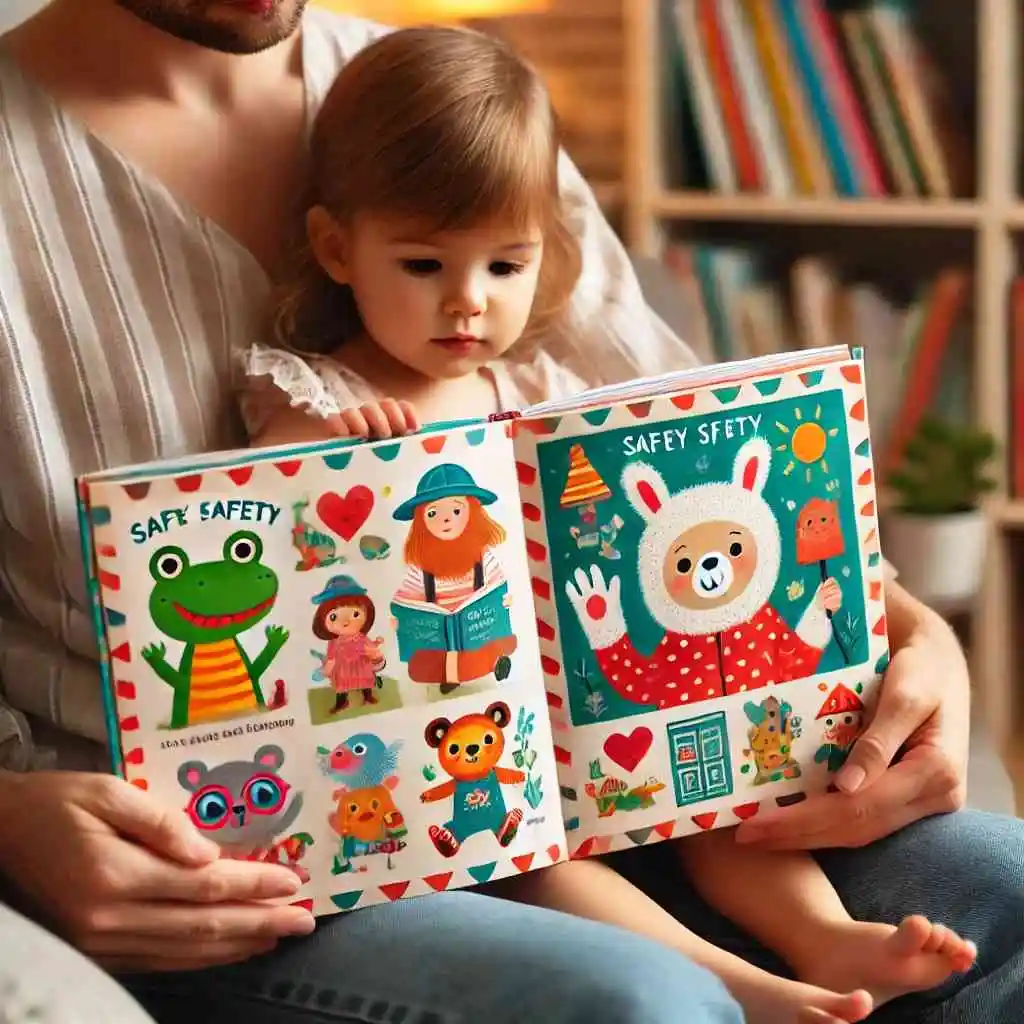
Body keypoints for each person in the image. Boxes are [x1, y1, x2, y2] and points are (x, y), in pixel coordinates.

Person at [0, 2, 1015, 1024]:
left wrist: (912, 633)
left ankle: (817, 946)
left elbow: (681, 444)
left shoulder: (457, 95)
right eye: (427, 266)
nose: (467, 304)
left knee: (1001, 887)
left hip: (590, 749)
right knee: (644, 999)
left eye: (500, 267)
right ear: (338, 247)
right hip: (258, 845)